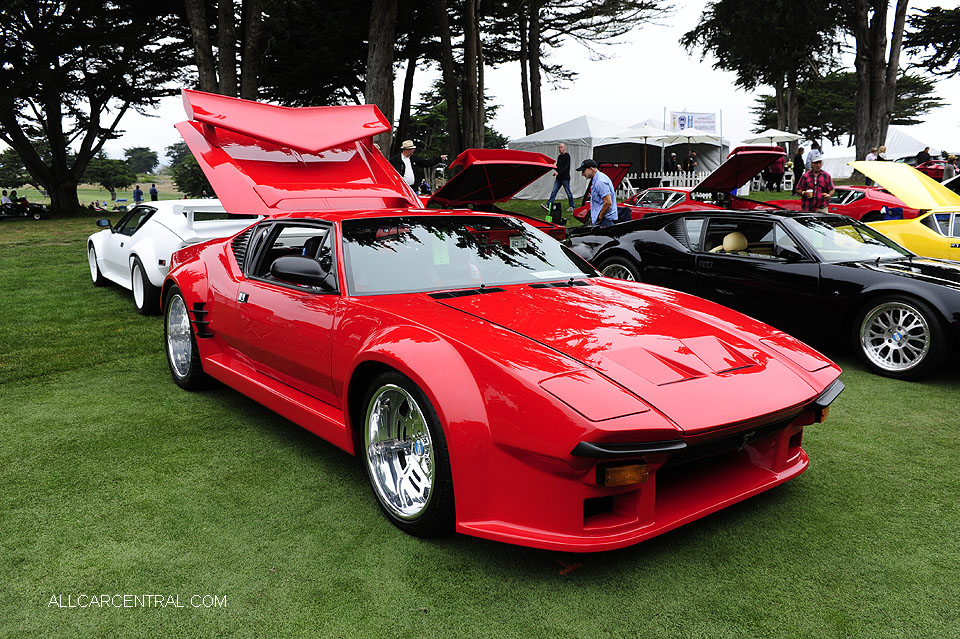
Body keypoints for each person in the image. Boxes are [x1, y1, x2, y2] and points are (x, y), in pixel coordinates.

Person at [577, 159, 618, 227]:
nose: (582, 174)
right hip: (604, 219)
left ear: (591, 169)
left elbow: (608, 202)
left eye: (584, 171)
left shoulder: (600, 181)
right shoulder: (597, 179)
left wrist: (600, 217)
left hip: (605, 221)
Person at [542, 142, 575, 213]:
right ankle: (548, 205)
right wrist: (552, 166)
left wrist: (558, 172)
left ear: (564, 148)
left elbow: (565, 167)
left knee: (568, 192)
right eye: (559, 147)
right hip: (558, 179)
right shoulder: (559, 156)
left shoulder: (567, 156)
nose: (560, 149)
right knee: (554, 191)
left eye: (561, 147)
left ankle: (572, 206)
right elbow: (558, 167)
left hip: (565, 178)